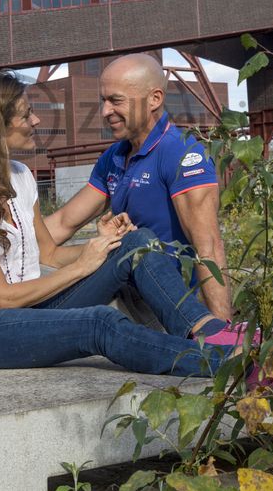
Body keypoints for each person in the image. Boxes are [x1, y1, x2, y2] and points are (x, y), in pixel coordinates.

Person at [0, 71, 252, 377]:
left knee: (136, 244)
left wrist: (100, 246)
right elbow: (1, 298)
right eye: (25, 113)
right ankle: (233, 365)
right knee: (99, 322)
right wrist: (82, 268)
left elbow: (47, 253)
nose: (35, 119)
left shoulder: (20, 177)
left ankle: (209, 332)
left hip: (26, 310)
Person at [45, 54, 232, 321]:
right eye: (104, 101)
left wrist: (221, 331)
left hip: (166, 305)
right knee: (34, 277)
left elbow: (209, 247)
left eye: (116, 100)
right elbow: (63, 222)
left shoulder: (181, 154)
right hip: (126, 287)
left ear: (154, 99)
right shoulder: (114, 157)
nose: (105, 112)